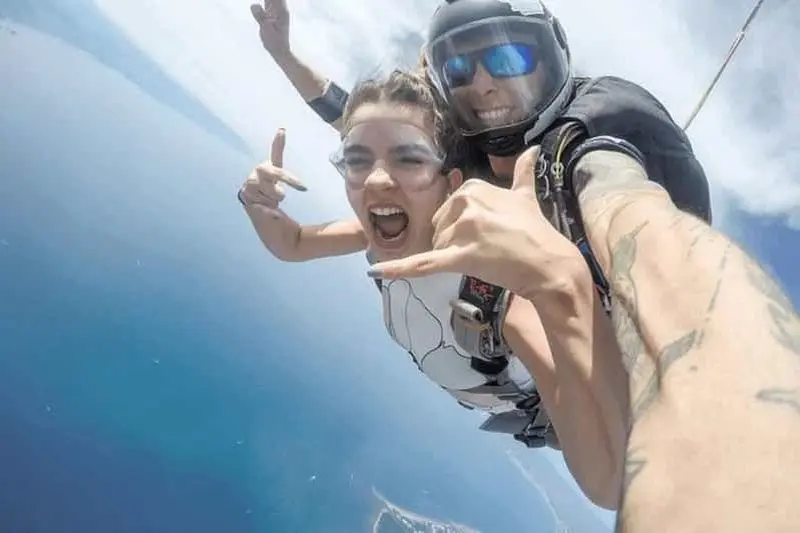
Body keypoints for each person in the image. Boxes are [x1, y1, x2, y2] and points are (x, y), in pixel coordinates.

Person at [239, 69, 628, 510]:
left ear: (453, 184)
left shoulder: (497, 292)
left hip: (546, 412)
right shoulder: (377, 239)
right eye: (357, 160)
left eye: (409, 160)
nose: (376, 181)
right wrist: (255, 202)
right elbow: (291, 244)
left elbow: (609, 483)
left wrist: (560, 286)